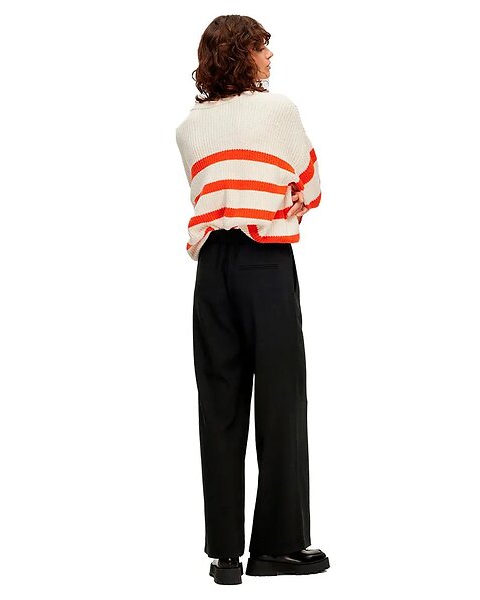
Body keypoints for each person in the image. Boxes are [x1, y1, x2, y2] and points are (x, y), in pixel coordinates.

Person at [175, 15, 330, 585]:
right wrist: (282, 205)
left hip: (213, 269)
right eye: (263, 47)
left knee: (219, 406)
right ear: (243, 54)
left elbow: (208, 189)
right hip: (265, 263)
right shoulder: (278, 111)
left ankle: (224, 555)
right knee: (281, 401)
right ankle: (277, 548)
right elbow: (310, 186)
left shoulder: (189, 127)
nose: (270, 57)